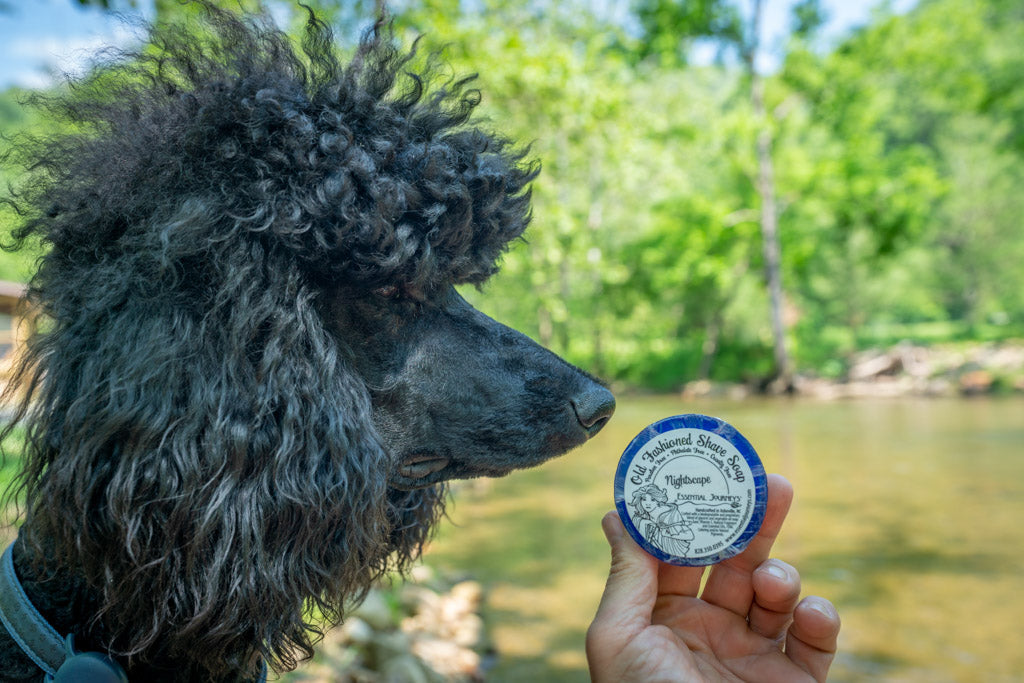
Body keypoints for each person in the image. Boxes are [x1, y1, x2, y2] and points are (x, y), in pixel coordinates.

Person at [587, 474, 840, 682]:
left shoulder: (670, 514)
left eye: (651, 501)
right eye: (645, 505)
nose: (649, 507)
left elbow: (686, 535)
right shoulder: (653, 519)